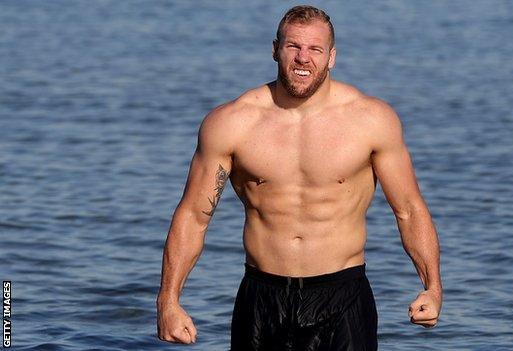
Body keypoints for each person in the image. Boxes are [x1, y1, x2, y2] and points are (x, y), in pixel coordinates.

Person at [156, 5, 442, 350]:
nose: (303, 58)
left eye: (315, 49)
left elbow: (409, 210)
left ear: (331, 57)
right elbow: (193, 215)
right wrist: (168, 301)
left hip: (344, 297)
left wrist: (432, 287)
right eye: (293, 46)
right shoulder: (232, 123)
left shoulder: (371, 121)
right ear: (275, 49)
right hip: (262, 298)